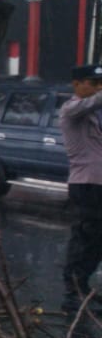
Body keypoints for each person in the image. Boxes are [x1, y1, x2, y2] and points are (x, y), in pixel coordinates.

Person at [59, 64, 102, 306]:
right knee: (85, 235)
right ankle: (73, 288)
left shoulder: (96, 113)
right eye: (93, 83)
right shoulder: (71, 108)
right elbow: (92, 102)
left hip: (99, 183)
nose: (98, 88)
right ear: (76, 84)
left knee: (98, 238)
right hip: (85, 184)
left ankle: (83, 284)